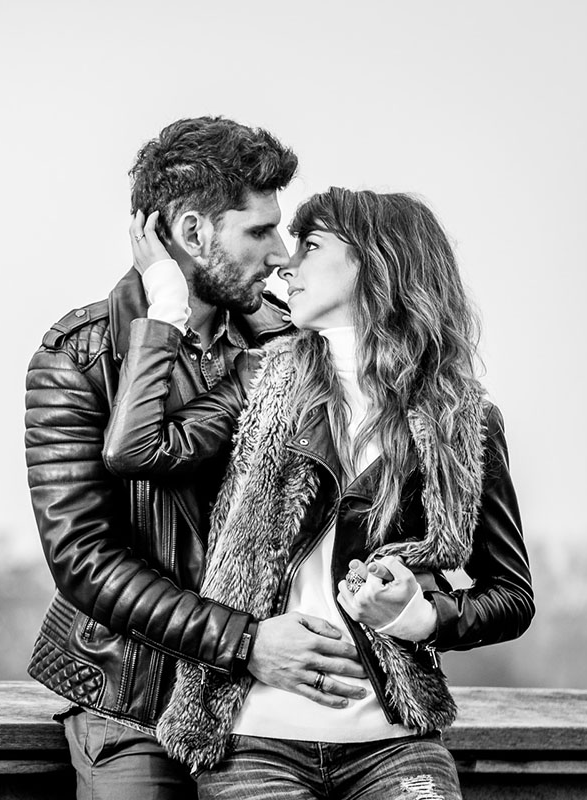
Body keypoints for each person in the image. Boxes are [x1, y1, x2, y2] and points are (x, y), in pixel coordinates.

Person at [103, 188, 535, 799]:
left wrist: (420, 616)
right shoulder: (261, 379)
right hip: (253, 739)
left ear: (376, 262)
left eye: (309, 247)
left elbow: (511, 595)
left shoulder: (464, 422)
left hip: (395, 743)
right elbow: (136, 449)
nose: (286, 265)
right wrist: (167, 306)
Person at [25, 117, 369, 800]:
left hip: (271, 707)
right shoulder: (78, 354)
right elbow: (85, 560)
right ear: (190, 233)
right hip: (134, 696)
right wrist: (246, 641)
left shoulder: (290, 343)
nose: (281, 254)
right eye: (259, 232)